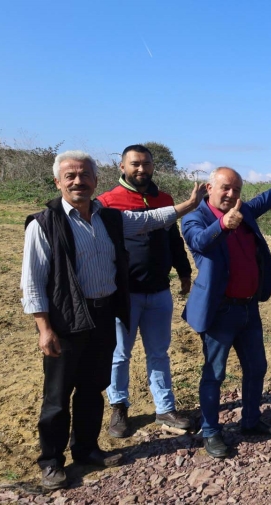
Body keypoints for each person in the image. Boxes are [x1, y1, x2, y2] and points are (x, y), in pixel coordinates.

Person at [21, 150, 204, 491]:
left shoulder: (109, 217)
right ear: (58, 181)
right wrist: (44, 328)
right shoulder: (43, 224)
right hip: (66, 319)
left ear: (95, 180)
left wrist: (187, 205)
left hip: (104, 314)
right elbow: (32, 282)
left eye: (84, 175)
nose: (78, 181)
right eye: (70, 176)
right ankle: (51, 462)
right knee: (57, 396)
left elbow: (150, 220)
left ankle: (87, 449)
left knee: (93, 388)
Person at [182, 165, 271, 458]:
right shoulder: (196, 218)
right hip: (219, 311)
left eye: (237, 190)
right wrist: (223, 225)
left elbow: (268, 198)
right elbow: (199, 242)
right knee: (215, 374)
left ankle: (251, 421)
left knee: (257, 367)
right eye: (225, 188)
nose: (231, 194)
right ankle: (210, 431)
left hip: (248, 307)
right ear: (209, 188)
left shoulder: (244, 211)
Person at [98, 145, 193, 437]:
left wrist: (184, 271)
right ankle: (119, 407)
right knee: (119, 353)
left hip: (159, 291)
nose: (141, 169)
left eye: (146, 164)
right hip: (124, 293)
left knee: (159, 353)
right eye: (135, 164)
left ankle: (165, 407)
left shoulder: (164, 199)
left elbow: (174, 239)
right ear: (122, 167)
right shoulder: (107, 202)